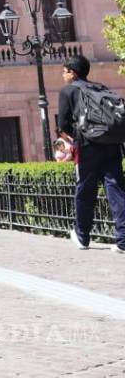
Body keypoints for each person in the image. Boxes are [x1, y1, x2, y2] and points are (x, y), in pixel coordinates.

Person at [56, 55, 125, 253]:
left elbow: (63, 125)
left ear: (72, 72)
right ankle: (123, 240)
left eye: (64, 71)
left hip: (87, 146)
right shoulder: (101, 88)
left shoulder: (68, 91)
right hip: (112, 143)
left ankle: (82, 236)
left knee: (85, 190)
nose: (63, 75)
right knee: (117, 189)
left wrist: (73, 138)